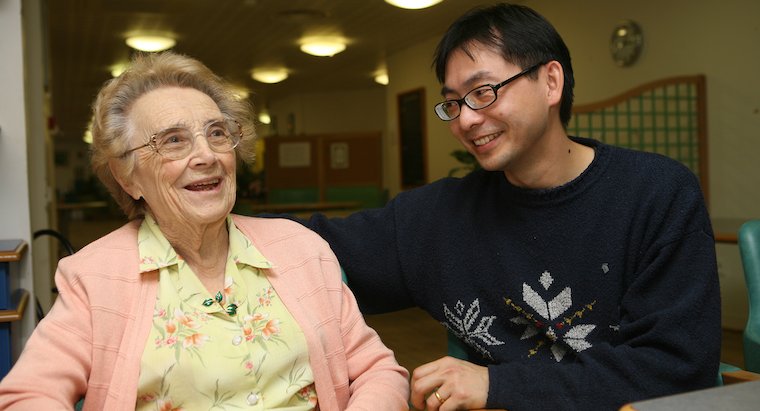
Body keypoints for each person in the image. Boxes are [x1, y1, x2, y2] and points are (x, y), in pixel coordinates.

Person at [296, 3, 721, 411]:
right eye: (454, 103)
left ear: (551, 82)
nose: (465, 120)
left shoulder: (656, 193)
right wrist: (226, 203)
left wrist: (494, 384)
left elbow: (675, 369)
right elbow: (312, 244)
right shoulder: (441, 215)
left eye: (482, 92)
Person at [0, 52, 409, 410]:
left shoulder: (302, 248)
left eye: (217, 133)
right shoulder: (92, 277)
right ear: (128, 178)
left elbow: (377, 369)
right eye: (173, 141)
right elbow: (29, 394)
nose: (206, 155)